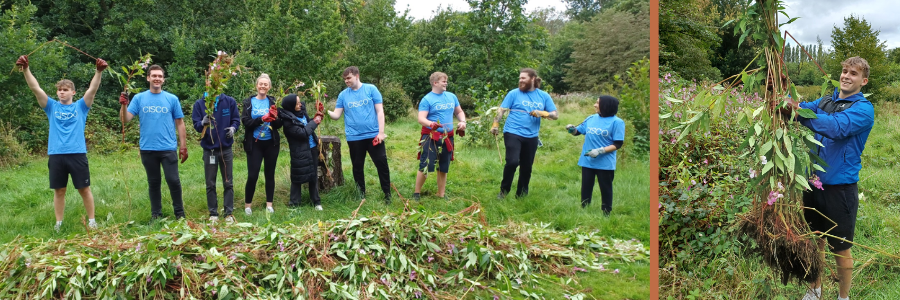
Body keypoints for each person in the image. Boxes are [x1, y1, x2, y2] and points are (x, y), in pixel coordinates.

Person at [782, 57, 874, 300]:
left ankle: (843, 297)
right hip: (813, 183)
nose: (846, 76)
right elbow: (800, 108)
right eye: (844, 71)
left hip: (840, 189)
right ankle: (814, 289)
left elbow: (836, 127)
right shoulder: (824, 100)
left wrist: (798, 112)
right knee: (815, 242)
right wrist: (784, 100)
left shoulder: (863, 109)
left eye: (853, 73)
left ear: (863, 81)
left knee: (841, 247)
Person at [17, 55, 107, 231]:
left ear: (73, 92)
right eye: (59, 90)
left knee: (84, 189)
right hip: (56, 154)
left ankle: (92, 221)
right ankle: (59, 223)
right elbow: (35, 88)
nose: (61, 92)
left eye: (65, 90)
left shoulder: (81, 106)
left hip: (77, 154)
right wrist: (26, 69)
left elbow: (92, 89)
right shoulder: (51, 106)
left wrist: (98, 71)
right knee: (59, 190)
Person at [119, 65, 189, 220]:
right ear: (148, 78)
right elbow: (125, 119)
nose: (157, 78)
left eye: (160, 76)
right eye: (154, 75)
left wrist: (183, 146)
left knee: (173, 180)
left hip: (168, 148)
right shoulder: (139, 98)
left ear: (163, 80)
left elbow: (180, 122)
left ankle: (180, 214)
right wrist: (123, 105)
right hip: (147, 148)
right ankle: (156, 215)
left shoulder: (171, 99)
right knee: (154, 182)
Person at [327, 66, 392, 203]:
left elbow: (380, 111)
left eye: (349, 78)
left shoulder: (371, 89)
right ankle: (360, 194)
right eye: (344, 79)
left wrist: (381, 132)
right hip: (354, 137)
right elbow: (336, 115)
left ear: (357, 76)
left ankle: (387, 194)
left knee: (382, 164)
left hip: (374, 135)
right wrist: (324, 111)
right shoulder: (343, 95)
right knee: (357, 166)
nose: (346, 81)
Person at [490, 68, 558, 198]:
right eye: (520, 78)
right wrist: (495, 124)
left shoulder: (543, 96)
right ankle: (504, 191)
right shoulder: (513, 94)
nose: (520, 80)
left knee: (527, 167)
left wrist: (544, 113)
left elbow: (555, 115)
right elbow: (501, 110)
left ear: (532, 79)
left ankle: (521, 194)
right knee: (512, 162)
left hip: (532, 135)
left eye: (523, 78)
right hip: (512, 132)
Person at [566, 96, 625, 215]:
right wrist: (571, 129)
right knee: (586, 186)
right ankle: (585, 210)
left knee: (605, 188)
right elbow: (578, 131)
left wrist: (600, 151)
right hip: (587, 160)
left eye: (597, 103)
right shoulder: (591, 118)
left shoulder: (617, 122)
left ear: (606, 105)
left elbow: (618, 144)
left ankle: (606, 212)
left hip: (605, 163)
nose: (594, 105)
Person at [413, 72, 466, 200]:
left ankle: (441, 194)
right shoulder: (427, 99)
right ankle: (416, 193)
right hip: (431, 136)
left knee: (444, 165)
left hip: (447, 137)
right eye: (443, 81)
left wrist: (462, 121)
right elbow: (421, 119)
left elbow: (459, 111)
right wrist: (431, 124)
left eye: (446, 81)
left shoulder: (452, 96)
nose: (446, 83)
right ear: (435, 83)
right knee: (426, 164)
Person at [191, 89, 240, 223]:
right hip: (210, 150)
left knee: (228, 182)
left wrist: (233, 128)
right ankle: (213, 213)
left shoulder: (229, 101)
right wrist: (202, 123)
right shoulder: (200, 104)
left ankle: (228, 213)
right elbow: (196, 124)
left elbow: (236, 119)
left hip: (226, 149)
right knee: (210, 183)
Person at [241, 73, 283, 214]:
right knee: (253, 175)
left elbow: (278, 124)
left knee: (269, 174)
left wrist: (274, 118)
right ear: (257, 85)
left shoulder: (273, 102)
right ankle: (248, 206)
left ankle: (269, 205)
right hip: (255, 143)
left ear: (269, 87)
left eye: (266, 84)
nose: (263, 86)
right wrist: (261, 119)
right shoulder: (249, 102)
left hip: (271, 143)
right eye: (261, 84)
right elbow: (245, 122)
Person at [280, 94, 325, 210]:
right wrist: (314, 122)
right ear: (291, 106)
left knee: (313, 175)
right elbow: (303, 133)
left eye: (300, 102)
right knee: (297, 175)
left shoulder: (302, 113)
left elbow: (306, 124)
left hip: (312, 147)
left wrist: (315, 117)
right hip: (299, 151)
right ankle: (294, 203)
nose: (300, 105)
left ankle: (316, 201)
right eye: (297, 103)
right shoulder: (287, 121)